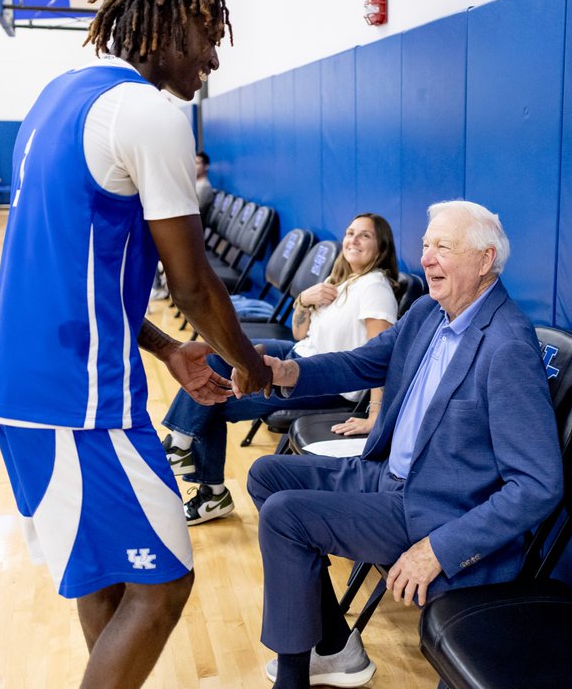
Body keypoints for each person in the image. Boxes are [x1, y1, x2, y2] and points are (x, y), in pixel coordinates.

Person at [0, 0, 271, 689]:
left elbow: (75, 279)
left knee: (107, 577)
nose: (210, 58)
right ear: (168, 22)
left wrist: (170, 351)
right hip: (80, 401)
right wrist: (250, 370)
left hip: (19, 383)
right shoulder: (149, 114)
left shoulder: (56, 100)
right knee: (165, 584)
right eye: (207, 34)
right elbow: (196, 284)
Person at [248, 200, 563, 689]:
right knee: (266, 476)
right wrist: (288, 372)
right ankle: (334, 644)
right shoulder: (427, 312)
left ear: (484, 261)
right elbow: (358, 363)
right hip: (384, 476)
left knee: (285, 516)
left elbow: (538, 485)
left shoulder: (508, 346)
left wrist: (438, 549)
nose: (426, 259)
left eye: (443, 247)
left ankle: (294, 679)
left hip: (432, 510)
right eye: (425, 246)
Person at [162, 212, 401, 525]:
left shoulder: (375, 288)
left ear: (381, 248)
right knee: (218, 355)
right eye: (350, 232)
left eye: (365, 235)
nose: (353, 240)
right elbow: (300, 333)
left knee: (214, 399)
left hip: (324, 381)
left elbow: (382, 359)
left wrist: (375, 416)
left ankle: (208, 488)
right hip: (296, 353)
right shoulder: (337, 280)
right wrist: (303, 300)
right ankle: (183, 446)